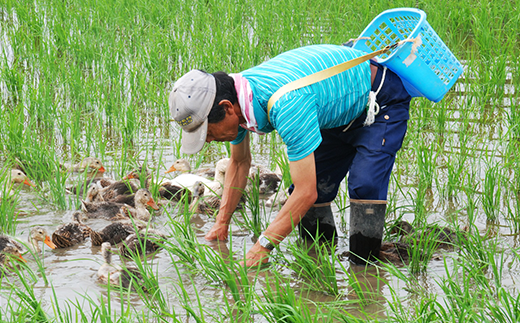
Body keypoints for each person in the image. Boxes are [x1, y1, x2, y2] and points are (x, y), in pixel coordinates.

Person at [168, 44, 411, 266]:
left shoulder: (286, 105)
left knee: (364, 184)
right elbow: (240, 162)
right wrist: (221, 223)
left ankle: (364, 273)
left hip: (378, 101)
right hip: (333, 113)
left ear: (226, 108)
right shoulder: (239, 99)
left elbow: (307, 191)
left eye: (208, 132)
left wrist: (261, 248)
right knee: (316, 190)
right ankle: (318, 264)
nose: (209, 140)